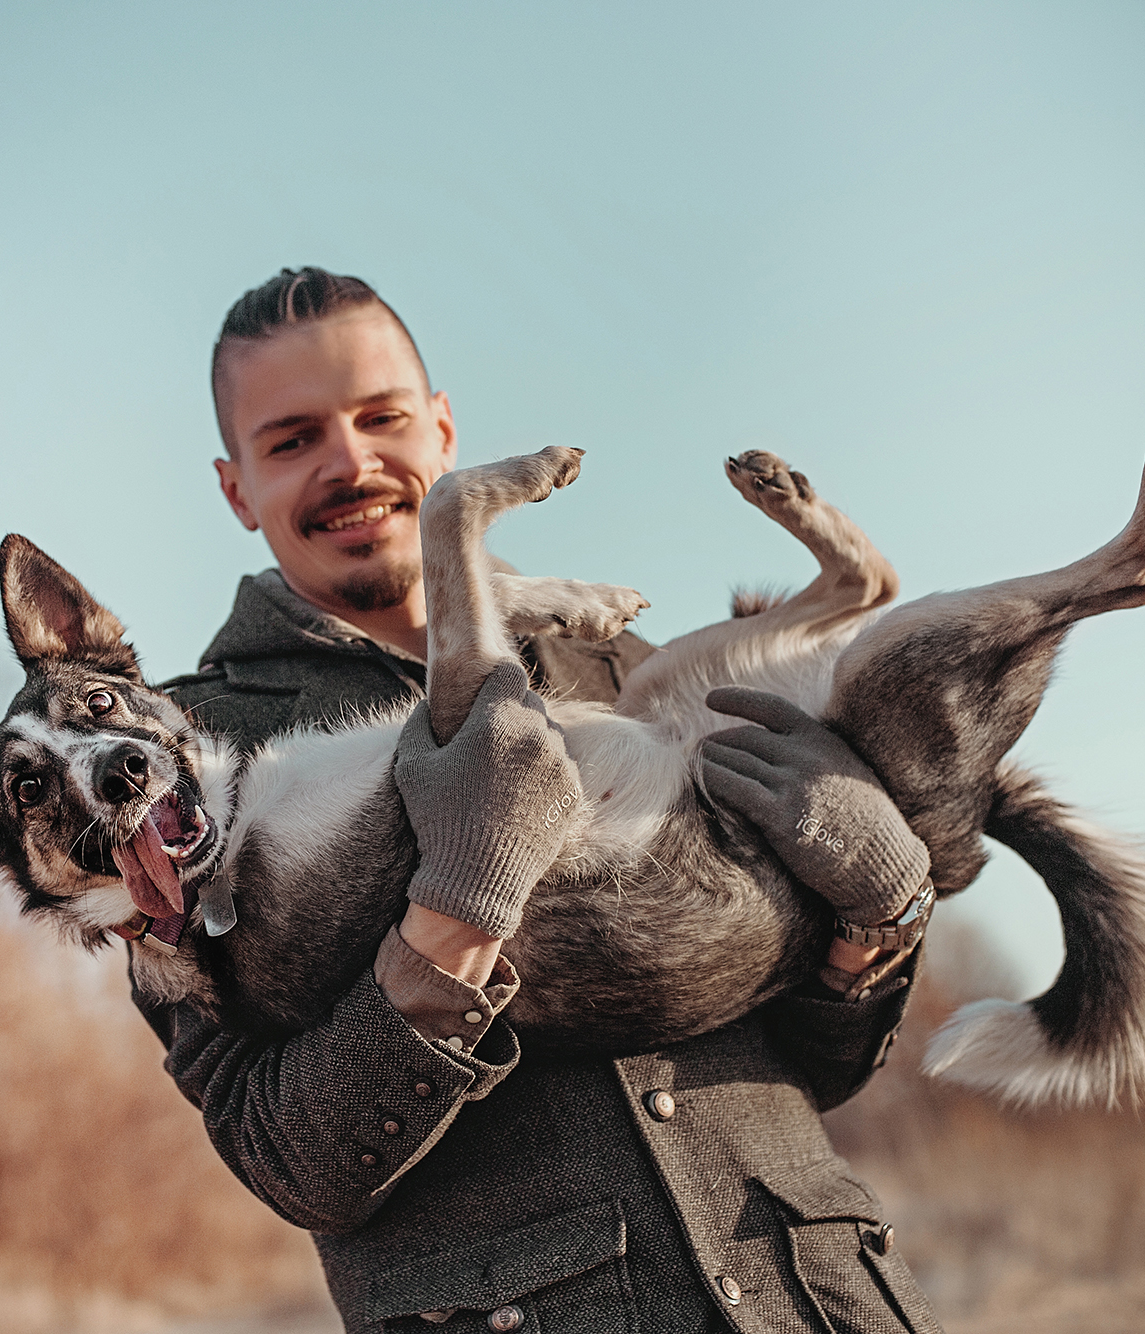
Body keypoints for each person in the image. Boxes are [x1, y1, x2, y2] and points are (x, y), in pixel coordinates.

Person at [137, 268, 942, 1334]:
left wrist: (877, 914)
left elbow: (816, 1067)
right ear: (236, 487)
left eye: (379, 418)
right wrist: (450, 923)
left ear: (440, 427)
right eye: (290, 440)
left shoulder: (622, 665)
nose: (349, 462)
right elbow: (290, 1158)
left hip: (823, 1303)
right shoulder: (179, 767)